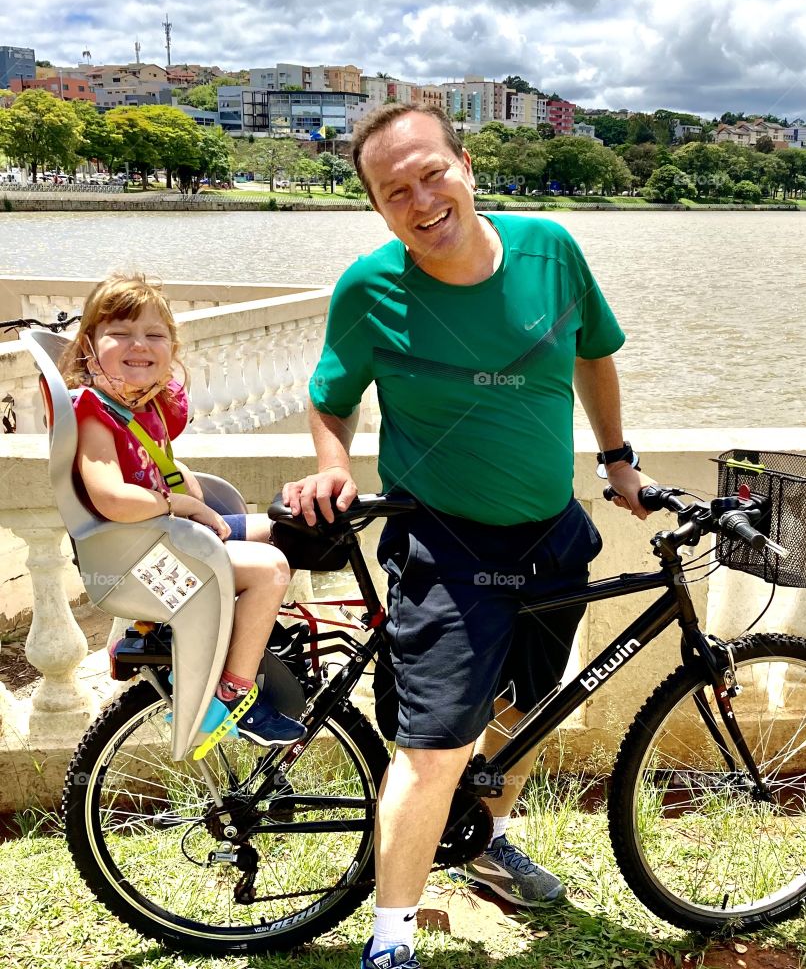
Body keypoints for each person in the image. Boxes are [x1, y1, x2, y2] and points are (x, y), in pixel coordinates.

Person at [282, 104, 652, 969]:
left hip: (553, 532)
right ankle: (391, 939)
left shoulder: (552, 251)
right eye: (393, 190)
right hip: (444, 547)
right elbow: (329, 398)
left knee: (529, 713)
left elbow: (595, 352)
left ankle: (484, 844)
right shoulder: (368, 289)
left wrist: (619, 460)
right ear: (377, 206)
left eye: (430, 173)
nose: (419, 199)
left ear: (468, 165)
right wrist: (333, 462)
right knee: (437, 747)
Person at [61, 272, 305, 747]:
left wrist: (194, 505)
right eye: (120, 333)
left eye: (155, 335)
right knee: (271, 568)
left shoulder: (132, 406)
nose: (140, 344)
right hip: (140, 557)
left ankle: (229, 639)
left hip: (162, 539)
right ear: (88, 346)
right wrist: (183, 504)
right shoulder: (94, 413)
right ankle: (231, 695)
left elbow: (159, 465)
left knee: (282, 530)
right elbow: (110, 496)